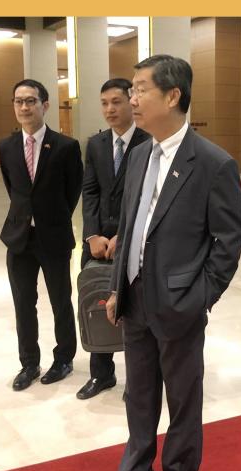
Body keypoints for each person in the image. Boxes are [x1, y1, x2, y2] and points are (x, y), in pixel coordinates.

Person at [84, 55, 241, 471]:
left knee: (182, 400)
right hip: (135, 299)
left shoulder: (212, 163)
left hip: (179, 304)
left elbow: (228, 241)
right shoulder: (140, 155)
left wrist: (200, 297)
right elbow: (130, 226)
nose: (131, 99)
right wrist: (118, 287)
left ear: (173, 96)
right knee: (138, 395)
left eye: (140, 89)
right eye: (131, 90)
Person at [0, 79, 83, 391]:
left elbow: (73, 191)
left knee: (61, 300)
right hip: (19, 238)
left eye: (31, 101)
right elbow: (13, 188)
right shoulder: (6, 146)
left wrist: (51, 218)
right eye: (19, 101)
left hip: (54, 237)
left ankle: (64, 359)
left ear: (45, 105)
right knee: (23, 303)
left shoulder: (66, 146)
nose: (24, 107)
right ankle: (29, 363)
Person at [77, 78, 150, 400]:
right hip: (98, 243)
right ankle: (101, 374)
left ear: (132, 102)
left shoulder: (149, 142)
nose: (110, 109)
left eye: (116, 102)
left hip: (133, 241)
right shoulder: (96, 144)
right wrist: (92, 234)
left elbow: (148, 196)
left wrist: (125, 235)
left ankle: (138, 380)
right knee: (96, 301)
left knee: (135, 310)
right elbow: (90, 191)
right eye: (104, 103)